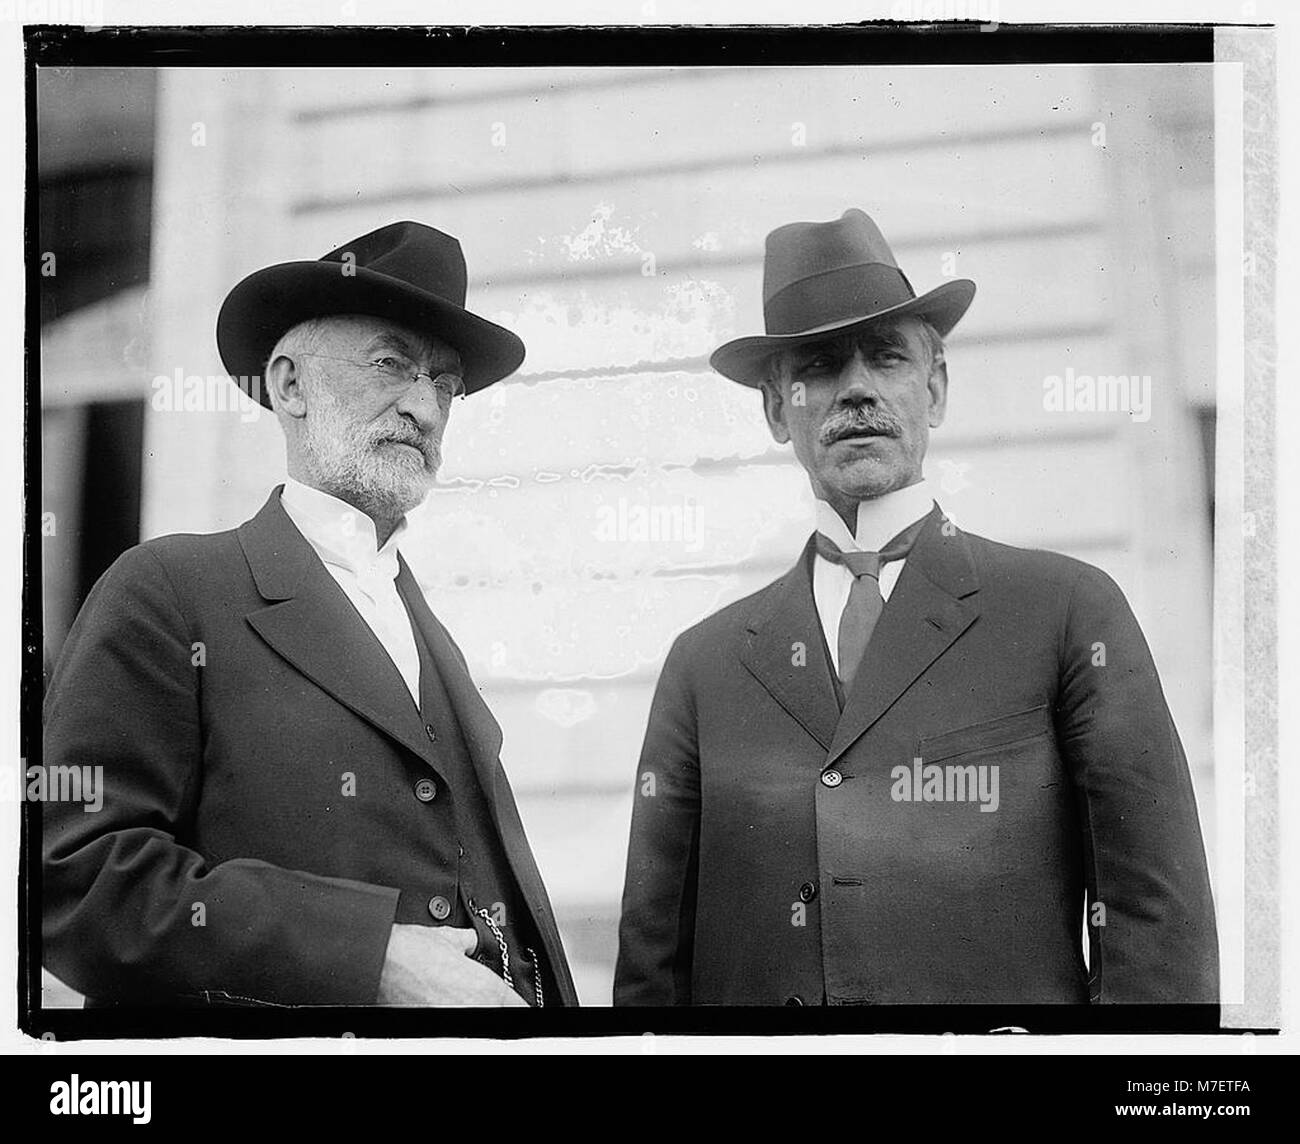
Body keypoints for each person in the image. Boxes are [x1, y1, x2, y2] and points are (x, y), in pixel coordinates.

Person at [614, 208, 1218, 1008]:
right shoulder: (704, 665)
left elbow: (1158, 928)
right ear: (774, 409)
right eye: (822, 366)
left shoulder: (1065, 611)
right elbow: (653, 971)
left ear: (934, 388)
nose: (858, 387)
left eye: (887, 357)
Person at [43, 221, 576, 1008]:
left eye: (446, 384)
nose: (425, 408)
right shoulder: (168, 590)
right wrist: (369, 959)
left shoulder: (425, 627)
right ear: (290, 385)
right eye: (392, 364)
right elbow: (74, 879)